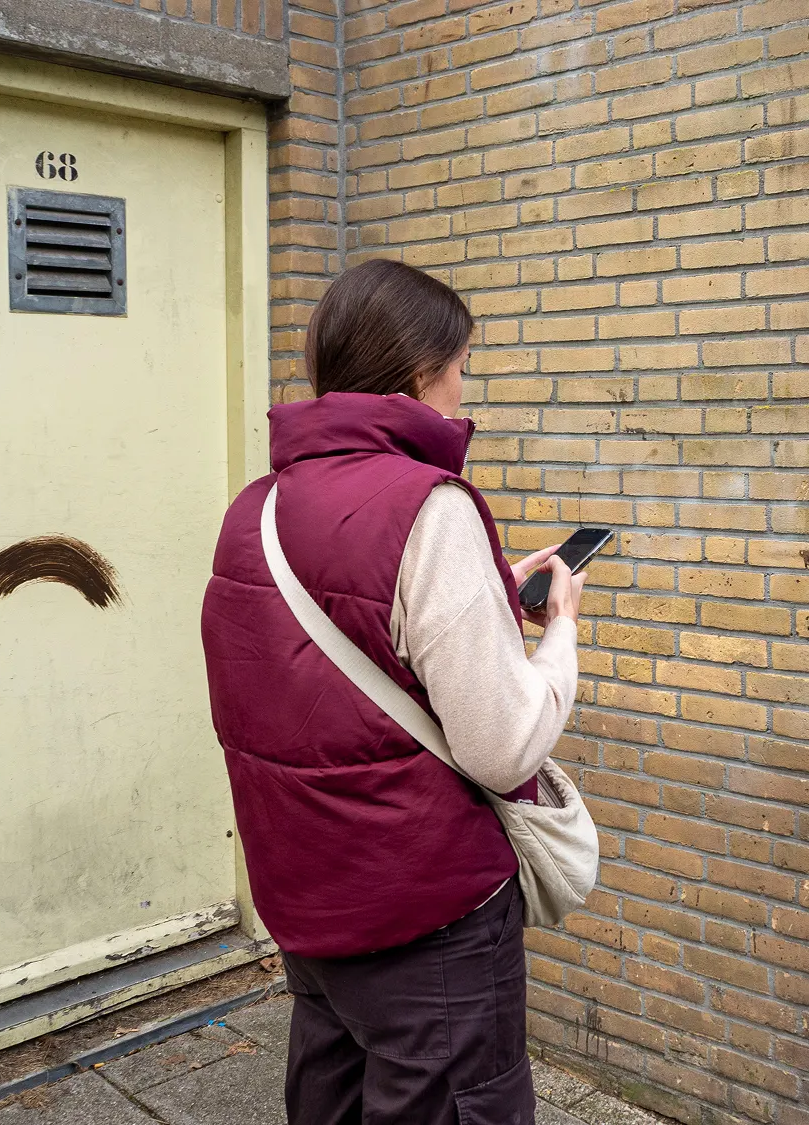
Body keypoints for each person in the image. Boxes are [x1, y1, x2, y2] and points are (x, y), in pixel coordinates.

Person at [200, 258, 586, 1123]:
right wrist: (556, 631)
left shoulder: (253, 509)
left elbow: (291, 682)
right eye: (462, 368)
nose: (464, 389)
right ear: (420, 373)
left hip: (308, 899)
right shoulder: (432, 507)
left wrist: (480, 598)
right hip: (429, 918)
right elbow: (505, 743)